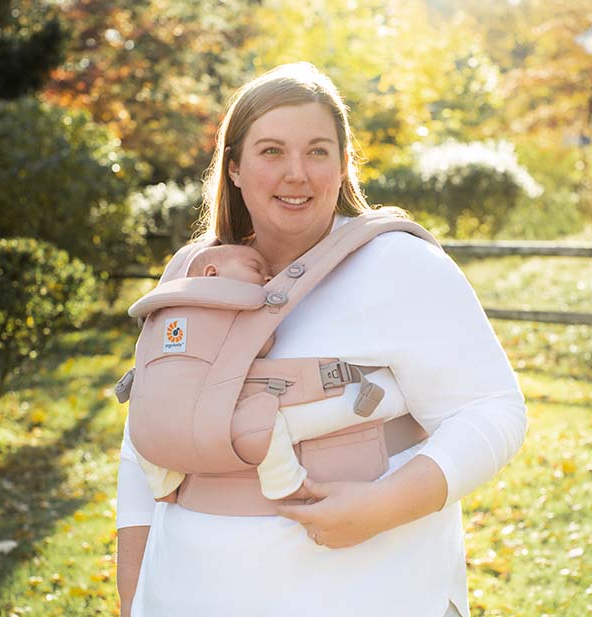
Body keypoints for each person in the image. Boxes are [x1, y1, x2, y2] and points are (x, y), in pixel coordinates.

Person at [116, 62, 528, 617]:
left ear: (343, 165)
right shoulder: (194, 273)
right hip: (186, 592)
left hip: (370, 590)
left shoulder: (399, 264)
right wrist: (135, 593)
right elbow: (143, 441)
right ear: (233, 168)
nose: (297, 174)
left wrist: (383, 506)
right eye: (270, 152)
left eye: (317, 151)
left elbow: (492, 410)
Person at [129, 243, 407, 502]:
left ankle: (163, 486)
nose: (266, 279)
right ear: (212, 274)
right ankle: (283, 482)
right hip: (212, 410)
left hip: (158, 414)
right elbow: (262, 345)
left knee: (144, 433)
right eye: (256, 269)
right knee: (264, 422)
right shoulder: (229, 309)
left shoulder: (164, 311)